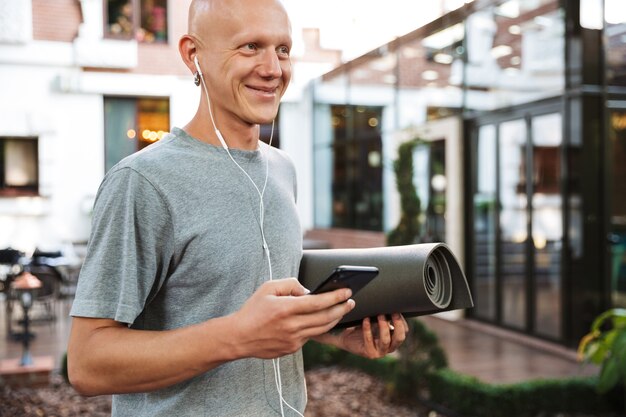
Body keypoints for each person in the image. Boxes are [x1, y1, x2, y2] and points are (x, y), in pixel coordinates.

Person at [67, 0, 408, 416]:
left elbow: (249, 306)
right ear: (193, 55)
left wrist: (333, 333)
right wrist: (236, 337)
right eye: (250, 47)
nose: (273, 69)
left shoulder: (282, 169)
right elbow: (87, 364)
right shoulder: (143, 182)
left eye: (282, 49)